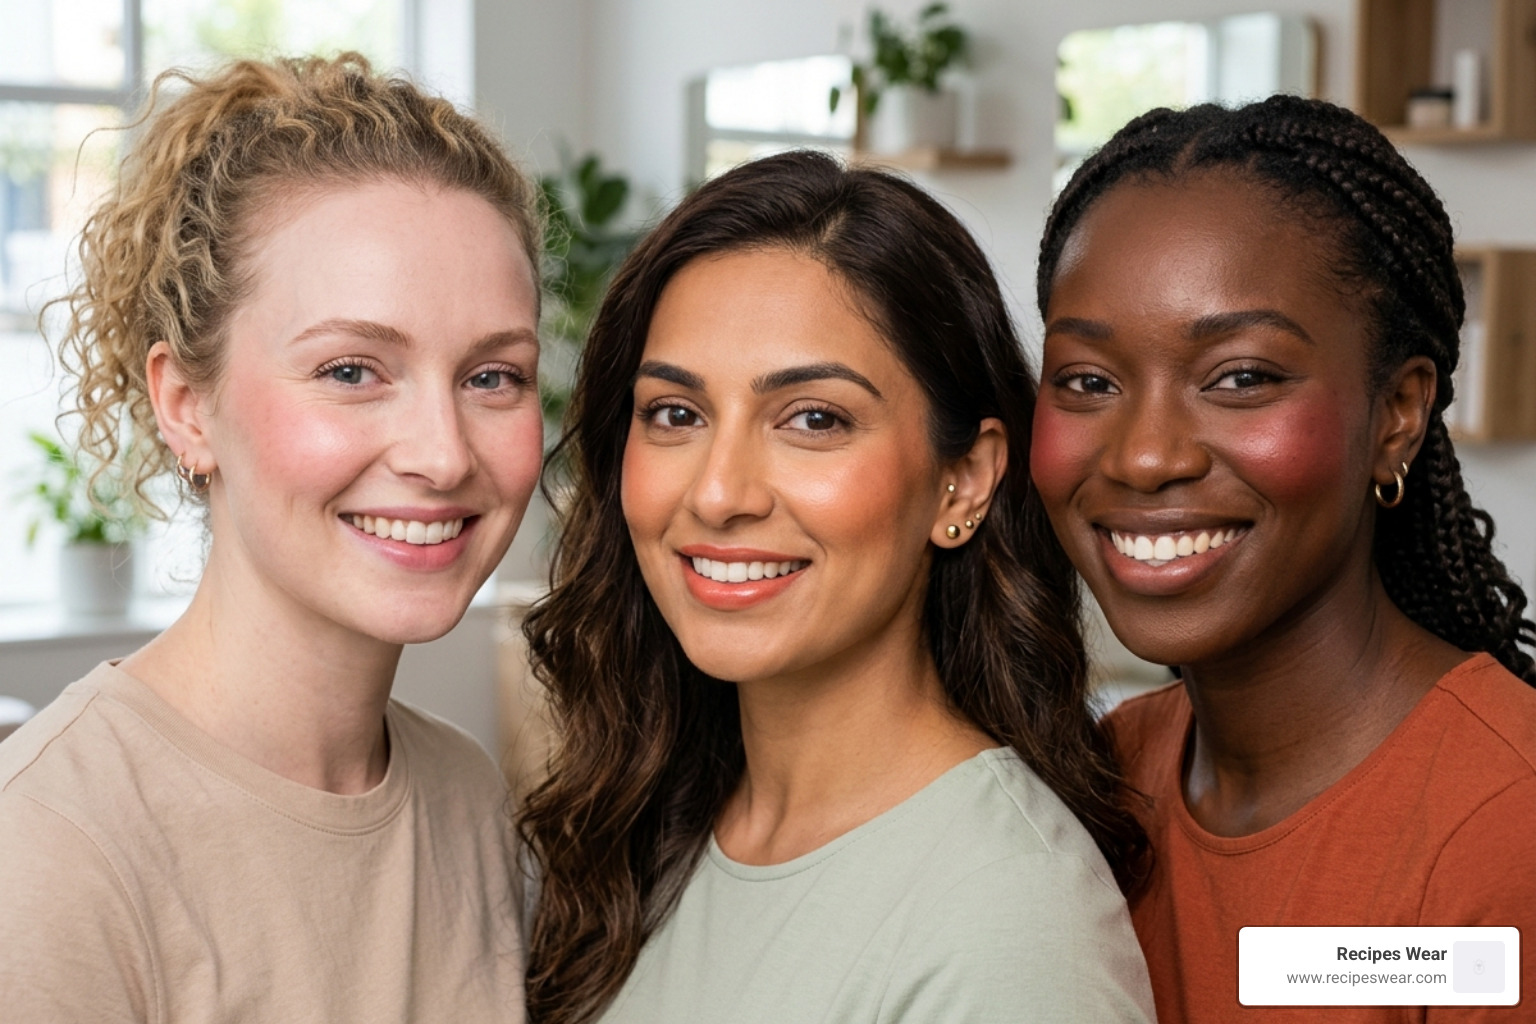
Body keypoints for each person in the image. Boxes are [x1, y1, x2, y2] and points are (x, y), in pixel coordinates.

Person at [517, 150, 1155, 1024]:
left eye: (814, 419)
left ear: (962, 482)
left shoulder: (1004, 925)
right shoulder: (645, 831)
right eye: (676, 414)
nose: (718, 493)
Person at [0, 55, 544, 1022]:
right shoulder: (49, 850)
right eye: (350, 370)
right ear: (187, 406)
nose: (443, 454)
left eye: (493, 376)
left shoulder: (468, 797)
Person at [1031, 94, 1536, 1023]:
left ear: (1397, 417)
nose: (1146, 456)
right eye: (1089, 382)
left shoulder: (1501, 830)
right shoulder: (1105, 780)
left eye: (1242, 378)